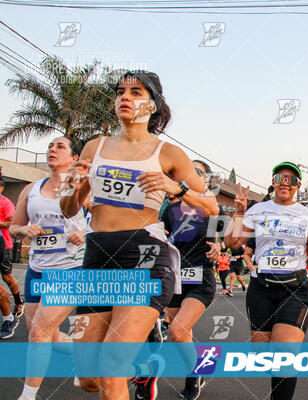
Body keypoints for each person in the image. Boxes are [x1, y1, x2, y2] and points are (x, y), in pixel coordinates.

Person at [59, 70, 219, 400]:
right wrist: (77, 182)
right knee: (88, 377)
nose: (125, 97)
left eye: (136, 92)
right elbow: (67, 207)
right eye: (120, 92)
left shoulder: (168, 154)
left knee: (111, 368)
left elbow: (210, 206)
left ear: (153, 105)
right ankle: (146, 370)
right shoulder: (95, 146)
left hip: (144, 255)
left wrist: (175, 186)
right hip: (97, 254)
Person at [224, 161, 308, 400]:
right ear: (273, 182)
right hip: (261, 288)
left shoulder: (306, 215)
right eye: (280, 178)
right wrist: (239, 212)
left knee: (284, 355)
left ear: (298, 186)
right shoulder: (257, 210)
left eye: (290, 180)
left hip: (296, 289)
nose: (285, 183)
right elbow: (232, 244)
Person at [9, 137, 87, 400]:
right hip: (36, 268)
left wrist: (85, 234)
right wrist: (24, 229)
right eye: (51, 146)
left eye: (60, 147)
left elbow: (105, 223)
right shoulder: (30, 189)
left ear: (74, 158)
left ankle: (28, 396)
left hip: (69, 270)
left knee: (39, 332)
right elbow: (14, 227)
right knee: (44, 333)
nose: (52, 149)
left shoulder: (82, 187)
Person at [160, 159, 221, 399]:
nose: (191, 175)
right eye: (187, 170)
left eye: (198, 172)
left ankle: (194, 374)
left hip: (201, 278)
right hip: (175, 280)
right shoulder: (170, 210)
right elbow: (162, 236)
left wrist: (218, 246)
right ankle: (196, 372)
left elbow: (220, 236)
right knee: (183, 335)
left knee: (177, 330)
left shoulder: (211, 207)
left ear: (205, 179)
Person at [0, 178, 24, 319]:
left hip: (5, 245)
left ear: (1, 188)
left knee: (7, 277)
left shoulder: (5, 203)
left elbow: (12, 222)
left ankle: (18, 301)